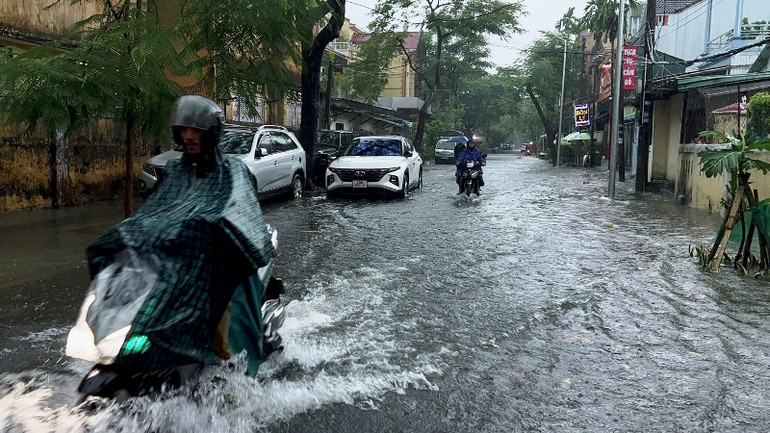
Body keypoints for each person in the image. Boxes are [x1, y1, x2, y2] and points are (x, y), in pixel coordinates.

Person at [85, 95, 275, 376]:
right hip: (173, 262)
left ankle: (238, 373)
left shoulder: (232, 171)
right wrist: (129, 232)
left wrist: (210, 225)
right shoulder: (174, 169)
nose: (189, 136)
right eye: (184, 130)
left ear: (211, 132)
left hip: (215, 265)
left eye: (196, 130)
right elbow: (157, 211)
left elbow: (240, 213)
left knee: (228, 340)